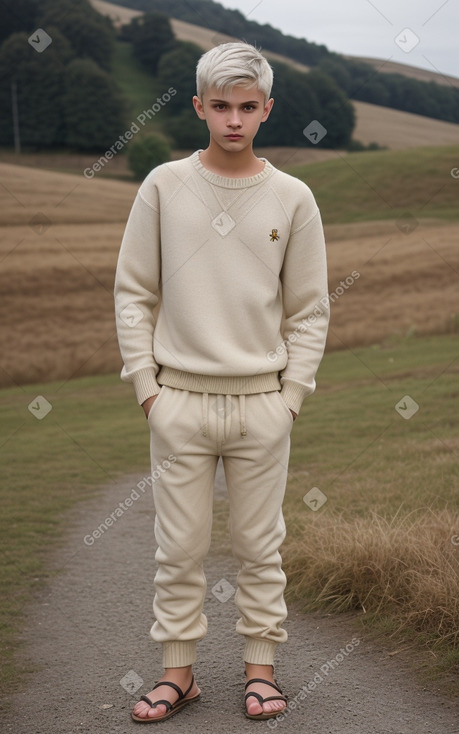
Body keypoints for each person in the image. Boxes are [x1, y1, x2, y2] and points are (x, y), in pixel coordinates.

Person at [114, 41, 329, 723]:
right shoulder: (163, 186)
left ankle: (259, 673)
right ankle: (178, 676)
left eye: (246, 107)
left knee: (259, 548)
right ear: (201, 107)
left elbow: (308, 308)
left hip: (261, 404)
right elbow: (132, 293)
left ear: (266, 110)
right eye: (220, 106)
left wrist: (289, 397)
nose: (232, 119)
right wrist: (149, 389)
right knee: (177, 551)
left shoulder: (292, 196)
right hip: (177, 400)